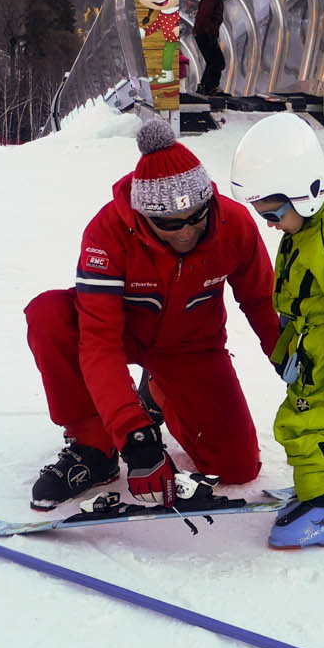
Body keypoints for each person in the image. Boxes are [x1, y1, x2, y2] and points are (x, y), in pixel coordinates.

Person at [22, 118, 281, 509]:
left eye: (196, 217)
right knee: (50, 315)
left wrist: (293, 363)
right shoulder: (106, 233)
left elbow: (263, 303)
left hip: (192, 348)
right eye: (168, 224)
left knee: (238, 468)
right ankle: (94, 447)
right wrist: (135, 438)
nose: (185, 232)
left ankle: (158, 393)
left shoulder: (236, 225)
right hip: (122, 335)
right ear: (143, 215)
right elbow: (99, 344)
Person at [230, 113, 324, 549]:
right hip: (314, 339)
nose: (270, 225)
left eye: (273, 214)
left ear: (305, 192)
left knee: (302, 423)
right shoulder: (313, 221)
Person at [193, 0, 235, 95]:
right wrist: (209, 34)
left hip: (204, 33)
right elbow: (205, 16)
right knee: (218, 62)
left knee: (213, 61)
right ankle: (210, 88)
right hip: (204, 33)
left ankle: (205, 87)